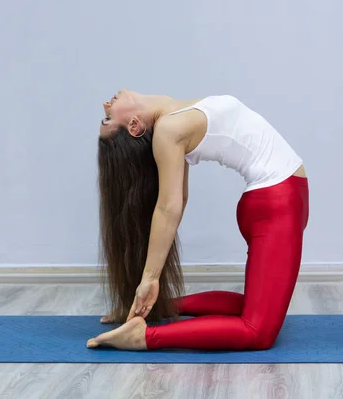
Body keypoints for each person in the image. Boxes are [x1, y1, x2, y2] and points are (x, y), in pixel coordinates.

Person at [88, 89, 309, 351]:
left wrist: (151, 286)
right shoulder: (169, 130)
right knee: (257, 332)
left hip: (275, 199)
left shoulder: (172, 119)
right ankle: (142, 338)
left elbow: (178, 200)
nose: (106, 104)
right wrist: (150, 278)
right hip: (277, 202)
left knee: (256, 304)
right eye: (107, 118)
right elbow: (169, 206)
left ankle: (162, 308)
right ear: (134, 125)